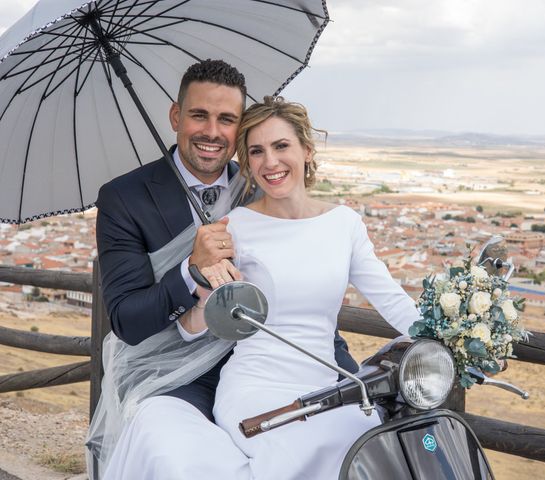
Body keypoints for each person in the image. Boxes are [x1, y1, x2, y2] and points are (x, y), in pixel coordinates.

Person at [88, 60, 357, 479]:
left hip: (266, 375)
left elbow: (303, 297)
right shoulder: (125, 198)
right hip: (174, 380)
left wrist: (348, 376)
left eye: (227, 119)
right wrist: (189, 269)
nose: (212, 132)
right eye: (199, 115)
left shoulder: (260, 188)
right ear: (176, 117)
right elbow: (128, 320)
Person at [184, 96, 421, 479]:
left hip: (328, 387)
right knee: (297, 454)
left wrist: (447, 340)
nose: (270, 162)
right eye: (256, 151)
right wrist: (208, 277)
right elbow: (207, 314)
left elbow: (391, 300)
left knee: (369, 451)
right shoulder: (233, 228)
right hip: (254, 388)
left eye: (281, 146)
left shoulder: (344, 223)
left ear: (307, 151)